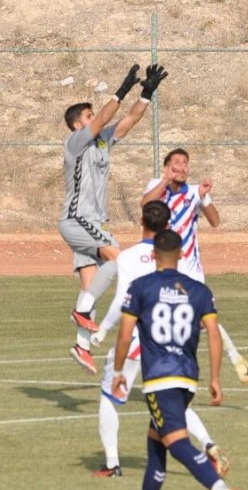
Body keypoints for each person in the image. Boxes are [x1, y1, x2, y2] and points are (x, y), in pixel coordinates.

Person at [110, 230, 245, 490]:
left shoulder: (141, 287)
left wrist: (119, 371)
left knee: (177, 443)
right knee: (155, 442)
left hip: (159, 377)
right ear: (182, 254)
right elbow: (213, 333)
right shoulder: (199, 291)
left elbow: (124, 333)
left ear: (153, 255)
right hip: (187, 378)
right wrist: (214, 378)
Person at [90, 201, 230, 479]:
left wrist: (103, 328)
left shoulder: (127, 257)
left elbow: (123, 300)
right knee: (173, 405)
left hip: (137, 339)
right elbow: (197, 292)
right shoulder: (183, 257)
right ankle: (208, 444)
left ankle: (112, 463)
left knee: (109, 398)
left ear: (141, 221)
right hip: (171, 341)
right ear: (168, 224)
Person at [60, 62, 168, 374]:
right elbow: (106, 117)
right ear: (77, 126)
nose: (95, 120)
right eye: (89, 116)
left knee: (91, 285)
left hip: (90, 223)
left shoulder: (103, 140)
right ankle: (80, 313)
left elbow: (129, 120)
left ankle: (81, 346)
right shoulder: (75, 142)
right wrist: (120, 91)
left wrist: (146, 93)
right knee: (117, 260)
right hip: (78, 218)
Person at [140, 148, 248, 382]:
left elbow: (215, 221)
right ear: (167, 166)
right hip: (162, 267)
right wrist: (165, 180)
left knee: (204, 319)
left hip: (190, 269)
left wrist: (204, 197)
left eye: (185, 163)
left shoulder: (194, 192)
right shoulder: (156, 185)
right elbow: (145, 205)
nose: (182, 167)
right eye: (176, 162)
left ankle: (234, 357)